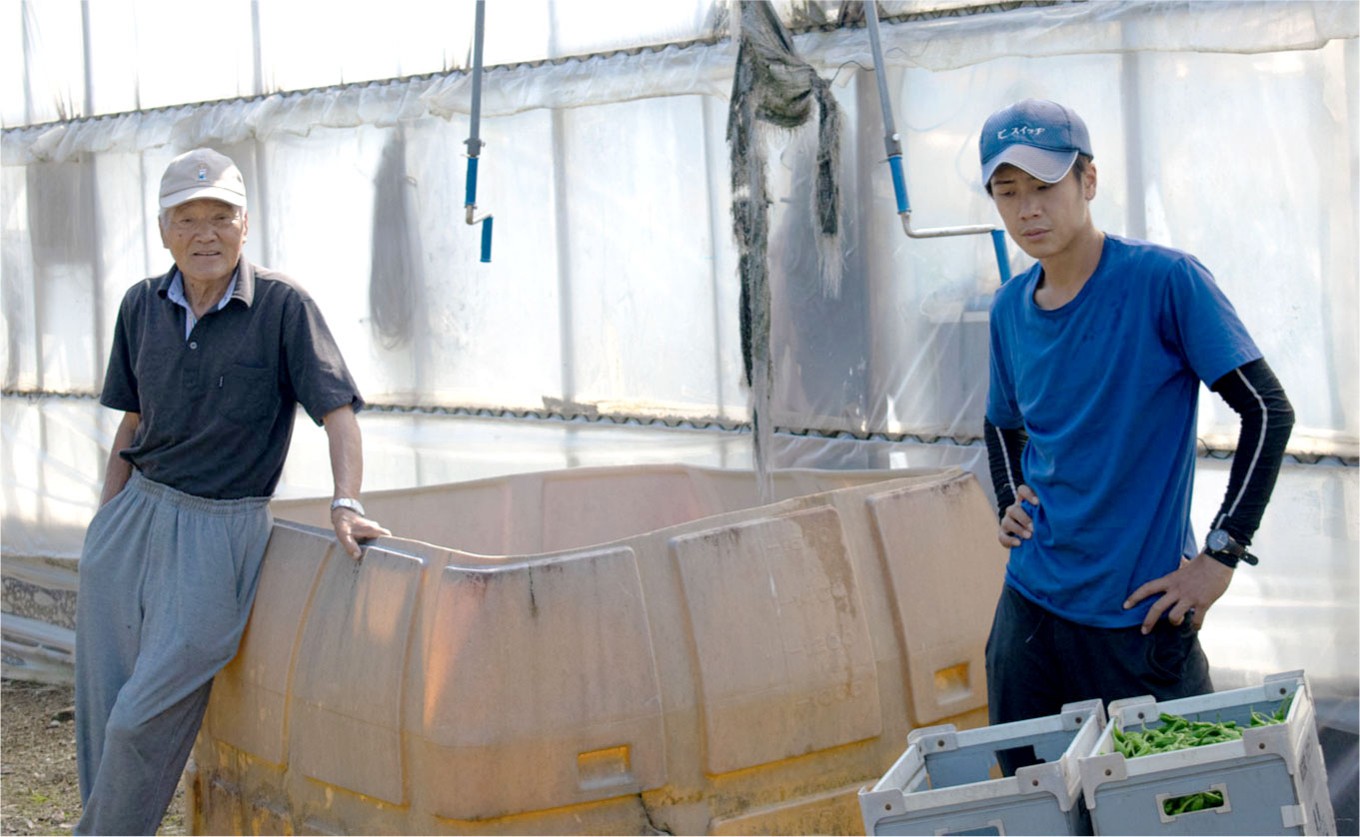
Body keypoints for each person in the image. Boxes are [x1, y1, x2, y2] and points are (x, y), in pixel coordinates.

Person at [74, 147, 391, 835]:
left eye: (221, 216)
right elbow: (132, 421)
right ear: (163, 230)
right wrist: (105, 525)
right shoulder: (141, 305)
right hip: (133, 517)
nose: (205, 234)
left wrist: (346, 502)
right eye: (187, 218)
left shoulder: (282, 306)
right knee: (104, 709)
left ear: (245, 224)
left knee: (139, 718)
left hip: (221, 529)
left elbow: (338, 412)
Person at [977, 100, 1294, 740]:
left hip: (1138, 617)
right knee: (1030, 789)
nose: (1027, 209)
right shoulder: (1009, 307)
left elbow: (1267, 411)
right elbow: (1001, 423)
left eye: (1044, 186)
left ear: (1088, 181)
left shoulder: (1165, 282)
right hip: (1029, 613)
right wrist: (1009, 496)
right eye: (1008, 192)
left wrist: (1221, 556)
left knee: (1172, 790)